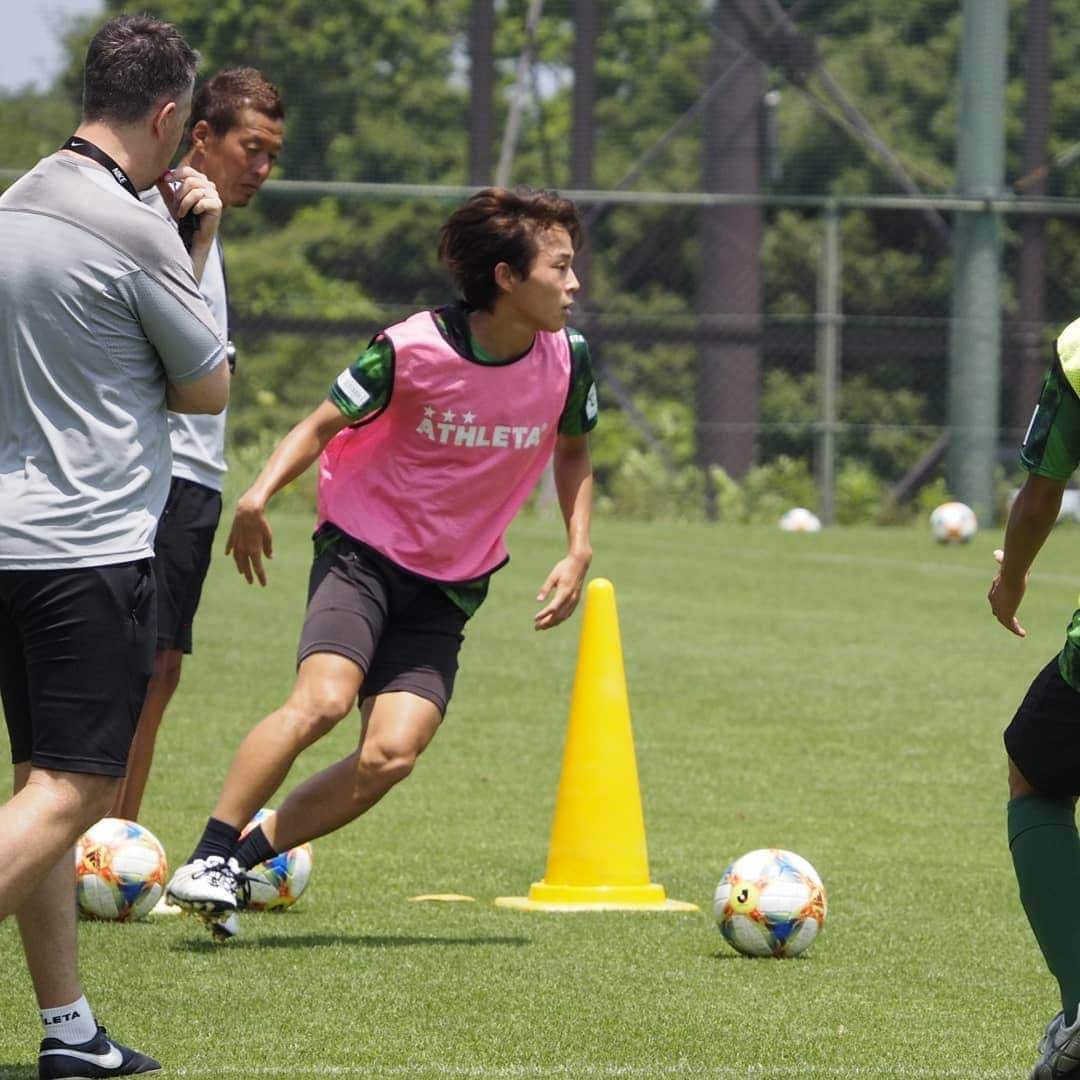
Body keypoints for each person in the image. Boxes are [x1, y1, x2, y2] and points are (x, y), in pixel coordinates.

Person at [165, 186, 597, 934]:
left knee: (390, 756)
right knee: (325, 701)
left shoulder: (568, 360)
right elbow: (321, 423)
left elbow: (575, 446)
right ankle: (205, 852)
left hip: (452, 585)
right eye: (559, 267)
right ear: (505, 276)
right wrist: (257, 497)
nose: (574, 284)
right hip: (363, 553)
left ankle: (239, 862)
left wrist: (577, 545)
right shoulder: (411, 348)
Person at [0, 14, 230, 1079]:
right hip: (85, 547)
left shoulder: (13, 205)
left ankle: (69, 1032)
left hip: (8, 540)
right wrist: (199, 240)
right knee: (74, 793)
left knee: (37, 788)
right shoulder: (135, 229)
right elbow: (206, 384)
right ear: (171, 115)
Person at [111, 68, 286, 824]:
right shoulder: (165, 217)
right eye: (251, 147)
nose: (262, 168)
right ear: (200, 136)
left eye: (273, 154)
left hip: (195, 478)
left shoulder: (200, 224)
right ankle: (94, 840)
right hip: (160, 472)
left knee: (159, 668)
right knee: (136, 668)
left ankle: (108, 838)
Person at [990, 314, 1080, 1080]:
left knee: (1036, 773)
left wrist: (1011, 578)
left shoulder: (1079, 351)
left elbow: (1040, 497)